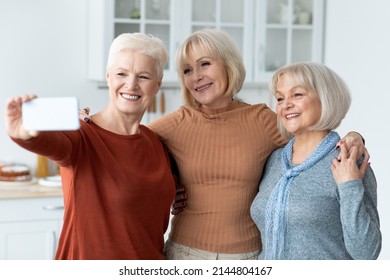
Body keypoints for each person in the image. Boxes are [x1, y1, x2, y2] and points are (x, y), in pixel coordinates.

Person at [81, 29, 368, 260]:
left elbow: (313, 142)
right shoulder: (177, 123)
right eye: (187, 70)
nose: (196, 76)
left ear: (228, 66)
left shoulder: (263, 120)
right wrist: (89, 123)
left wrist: (354, 136)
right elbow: (127, 141)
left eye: (205, 64)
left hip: (248, 258)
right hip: (185, 255)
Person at [4, 33, 176, 260]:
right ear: (108, 77)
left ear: (158, 84)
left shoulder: (155, 142)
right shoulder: (82, 135)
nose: (131, 84)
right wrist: (24, 133)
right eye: (121, 74)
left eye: (143, 76)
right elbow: (53, 144)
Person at [250, 62, 381, 260]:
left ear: (325, 98)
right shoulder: (274, 160)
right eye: (280, 98)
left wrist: (350, 186)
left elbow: (367, 254)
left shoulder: (348, 160)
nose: (286, 104)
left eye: (297, 95)